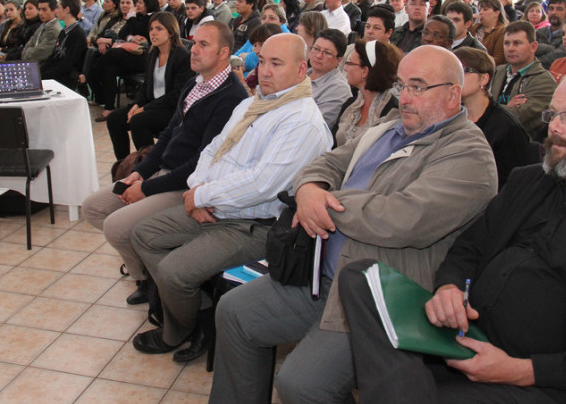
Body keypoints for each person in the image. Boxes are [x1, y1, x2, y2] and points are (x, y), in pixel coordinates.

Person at [339, 69, 566, 403]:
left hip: (545, 384)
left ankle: (405, 388)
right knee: (361, 276)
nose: (554, 128)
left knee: (397, 382)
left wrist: (522, 371)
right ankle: (407, 387)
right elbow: (469, 248)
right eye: (552, 115)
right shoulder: (531, 181)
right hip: (465, 341)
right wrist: (449, 288)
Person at [209, 45, 498, 404]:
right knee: (235, 312)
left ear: (454, 94)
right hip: (320, 276)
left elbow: (401, 219)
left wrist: (323, 202)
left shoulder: (469, 153)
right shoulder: (389, 129)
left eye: (418, 87)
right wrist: (310, 188)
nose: (404, 98)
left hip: (380, 294)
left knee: (301, 384)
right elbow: (324, 164)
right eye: (401, 85)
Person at [130, 33, 333, 363]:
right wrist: (196, 191)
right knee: (144, 235)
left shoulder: (302, 122)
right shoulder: (252, 103)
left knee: (173, 273)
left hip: (254, 224)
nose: (264, 71)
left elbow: (263, 184)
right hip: (216, 206)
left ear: (301, 70)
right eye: (263, 61)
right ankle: (199, 313)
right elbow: (212, 150)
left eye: (276, 64)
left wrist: (203, 196)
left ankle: (180, 329)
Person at [81, 21, 249, 305]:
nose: (193, 50)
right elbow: (170, 134)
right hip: (163, 172)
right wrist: (139, 173)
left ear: (223, 53)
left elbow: (202, 163)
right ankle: (147, 273)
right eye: (194, 43)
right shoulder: (195, 83)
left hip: (185, 184)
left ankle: (152, 284)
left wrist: (148, 189)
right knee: (94, 208)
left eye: (203, 45)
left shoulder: (232, 97)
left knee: (116, 226)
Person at [105, 11, 193, 160]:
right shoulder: (153, 53)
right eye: (151, 29)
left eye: (159, 29)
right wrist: (136, 105)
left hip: (171, 109)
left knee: (138, 121)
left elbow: (176, 95)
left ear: (171, 32)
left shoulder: (182, 56)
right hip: (152, 104)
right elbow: (146, 85)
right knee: (114, 119)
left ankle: (147, 165)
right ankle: (124, 164)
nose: (153, 33)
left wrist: (144, 108)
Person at [455, 47, 535, 187]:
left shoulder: (506, 127)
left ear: (484, 79)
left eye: (464, 71)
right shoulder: (449, 117)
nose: (455, 78)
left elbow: (515, 182)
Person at [91, 0, 160, 121]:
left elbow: (144, 34)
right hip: (132, 54)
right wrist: (131, 37)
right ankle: (109, 107)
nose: (137, 5)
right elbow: (123, 33)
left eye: (140, 2)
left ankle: (95, 71)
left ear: (148, 4)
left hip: (144, 57)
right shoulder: (138, 16)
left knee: (112, 53)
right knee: (110, 69)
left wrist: (131, 18)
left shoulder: (154, 18)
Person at [490, 21, 557, 141]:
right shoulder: (495, 72)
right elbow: (471, 107)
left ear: (533, 47)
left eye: (517, 43)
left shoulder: (544, 82)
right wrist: (506, 107)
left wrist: (490, 106)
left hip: (519, 149)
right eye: (507, 43)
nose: (510, 48)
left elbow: (517, 118)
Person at [334, 39, 401, 146]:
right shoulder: (350, 104)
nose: (345, 68)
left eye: (350, 63)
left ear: (365, 71)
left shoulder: (392, 112)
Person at [40, 0, 87, 89]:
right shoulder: (64, 32)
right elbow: (53, 57)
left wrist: (43, 76)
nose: (56, 11)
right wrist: (39, 72)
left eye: (58, 7)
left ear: (67, 9)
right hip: (59, 72)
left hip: (67, 76)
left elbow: (67, 65)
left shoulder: (77, 34)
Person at [308, 29, 351, 128]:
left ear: (339, 60)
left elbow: (316, 126)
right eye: (316, 49)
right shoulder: (301, 73)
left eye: (327, 53)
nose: (318, 56)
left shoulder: (339, 89)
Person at [19, 0, 62, 64]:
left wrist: (26, 53)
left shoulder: (54, 30)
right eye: (39, 9)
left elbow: (40, 53)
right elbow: (29, 44)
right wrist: (25, 52)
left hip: (43, 68)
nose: (40, 13)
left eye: (44, 10)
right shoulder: (43, 26)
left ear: (54, 11)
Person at [470, 0, 509, 65]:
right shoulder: (475, 27)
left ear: (496, 13)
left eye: (485, 10)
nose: (481, 12)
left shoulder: (502, 31)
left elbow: (499, 59)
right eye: (480, 10)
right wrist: (469, 25)